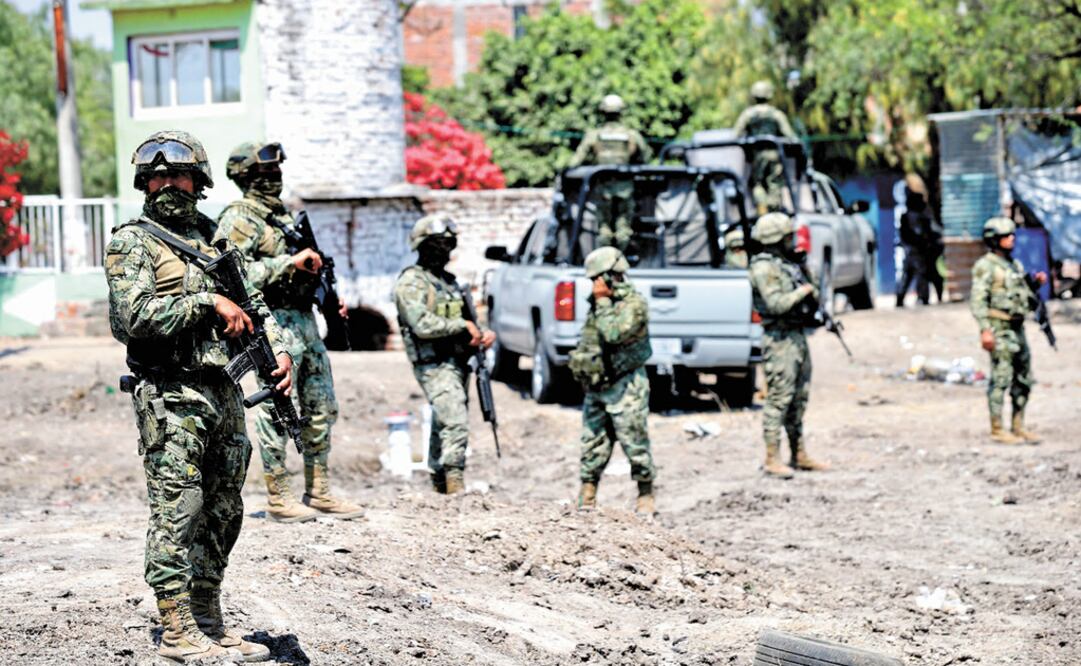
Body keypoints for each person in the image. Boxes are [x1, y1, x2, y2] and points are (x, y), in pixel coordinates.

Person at [104, 130, 290, 662]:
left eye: (178, 174)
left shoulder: (213, 238)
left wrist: (279, 352)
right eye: (157, 175)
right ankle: (176, 626)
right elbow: (131, 317)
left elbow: (255, 304)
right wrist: (205, 302)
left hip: (225, 391)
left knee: (224, 509)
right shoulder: (132, 242)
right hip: (171, 393)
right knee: (178, 508)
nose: (167, 183)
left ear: (198, 180)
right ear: (144, 181)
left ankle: (208, 616)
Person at [214, 142, 362, 523]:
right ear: (246, 177)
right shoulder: (240, 218)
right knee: (275, 408)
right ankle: (279, 495)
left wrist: (325, 296)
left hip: (306, 324)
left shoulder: (286, 217)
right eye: (265, 175)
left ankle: (319, 490)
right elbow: (232, 276)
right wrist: (287, 263)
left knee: (321, 406)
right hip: (272, 324)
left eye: (277, 173)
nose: (274, 180)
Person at [394, 215, 495, 494]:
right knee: (454, 419)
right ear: (423, 246)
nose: (444, 251)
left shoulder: (450, 283)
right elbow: (421, 324)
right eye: (438, 244)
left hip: (458, 361)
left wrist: (481, 332)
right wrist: (462, 326)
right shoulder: (412, 282)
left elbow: (469, 317)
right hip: (433, 363)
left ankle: (439, 484)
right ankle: (455, 483)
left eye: (448, 244)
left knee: (444, 420)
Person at [568, 246, 656, 514]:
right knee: (592, 442)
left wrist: (604, 302)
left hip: (626, 384)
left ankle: (645, 494)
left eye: (598, 278)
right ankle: (587, 495)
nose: (594, 285)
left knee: (634, 442)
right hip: (598, 386)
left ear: (611, 275)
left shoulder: (634, 304)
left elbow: (614, 333)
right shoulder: (597, 304)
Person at [747, 212, 829, 478]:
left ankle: (799, 453)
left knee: (799, 397)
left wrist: (808, 277)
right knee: (779, 399)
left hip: (796, 335)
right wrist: (802, 291)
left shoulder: (786, 264)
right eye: (787, 236)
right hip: (779, 339)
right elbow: (776, 304)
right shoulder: (763, 268)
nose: (791, 240)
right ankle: (772, 458)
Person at [970, 216, 1046, 444]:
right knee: (1001, 379)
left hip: (1017, 327)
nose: (1011, 239)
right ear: (994, 240)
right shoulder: (986, 266)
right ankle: (997, 428)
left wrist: (1035, 285)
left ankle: (1018, 425)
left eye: (1012, 235)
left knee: (1024, 379)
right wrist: (985, 330)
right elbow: (978, 301)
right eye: (1006, 236)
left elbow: (1024, 297)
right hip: (999, 327)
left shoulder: (1014, 265)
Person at [571, 94, 652, 252]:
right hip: (625, 189)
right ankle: (619, 265)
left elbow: (577, 159)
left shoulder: (594, 135)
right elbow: (645, 157)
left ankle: (606, 264)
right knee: (623, 229)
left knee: (604, 229)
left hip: (603, 189)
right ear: (621, 112)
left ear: (603, 112)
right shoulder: (631, 135)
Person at [734, 80, 798, 214]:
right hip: (775, 155)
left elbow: (736, 135)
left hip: (757, 156)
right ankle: (774, 212)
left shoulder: (748, 114)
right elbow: (790, 136)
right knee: (774, 184)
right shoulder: (776, 114)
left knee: (758, 185)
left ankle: (763, 210)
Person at [895, 186, 934, 306]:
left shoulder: (911, 216)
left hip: (914, 250)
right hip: (915, 251)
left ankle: (903, 299)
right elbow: (914, 234)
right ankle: (921, 297)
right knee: (918, 274)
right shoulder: (914, 217)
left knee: (910, 275)